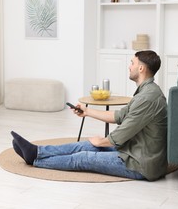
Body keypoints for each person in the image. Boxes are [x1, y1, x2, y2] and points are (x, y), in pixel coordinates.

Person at [11, 50, 167, 181]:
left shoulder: (148, 98)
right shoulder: (146, 92)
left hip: (141, 163)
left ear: (141, 68)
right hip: (132, 150)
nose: (129, 66)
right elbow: (119, 116)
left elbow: (123, 132)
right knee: (85, 145)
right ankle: (37, 152)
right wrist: (87, 111)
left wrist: (103, 141)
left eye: (132, 63)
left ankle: (37, 160)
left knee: (84, 157)